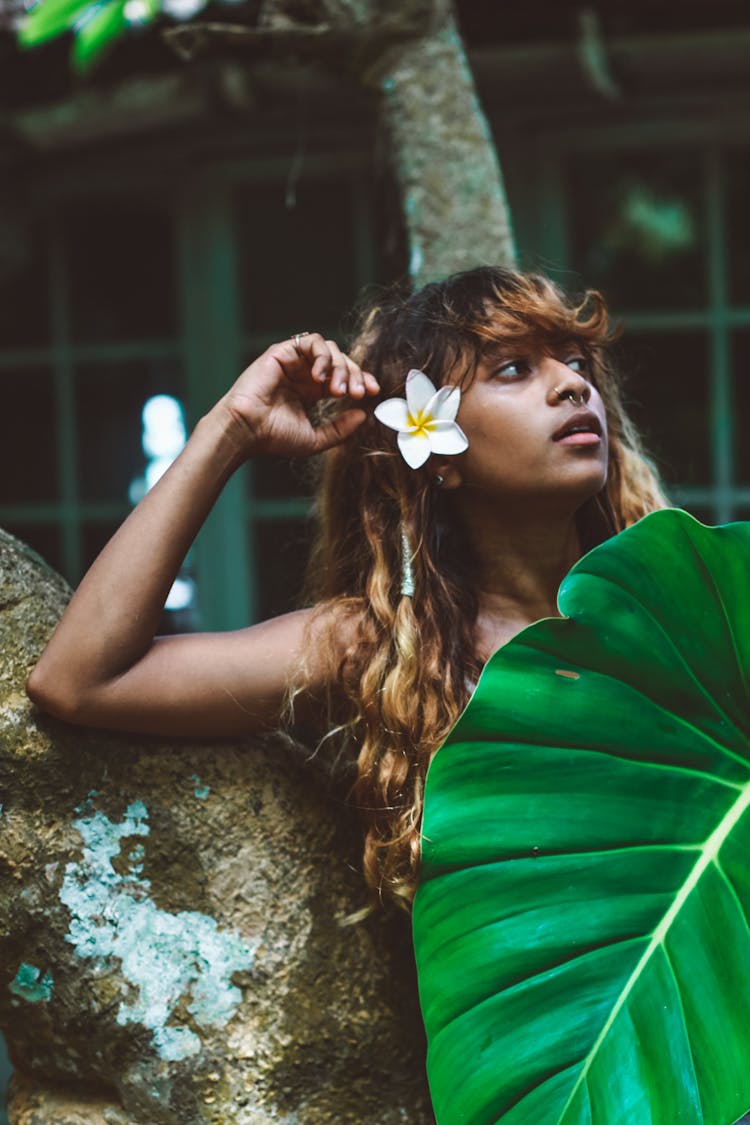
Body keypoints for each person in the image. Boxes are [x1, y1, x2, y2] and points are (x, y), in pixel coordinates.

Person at [25, 264, 668, 915]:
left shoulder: (680, 618)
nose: (572, 385)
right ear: (437, 452)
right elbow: (80, 679)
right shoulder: (382, 647)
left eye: (577, 360)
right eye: (513, 369)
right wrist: (233, 427)